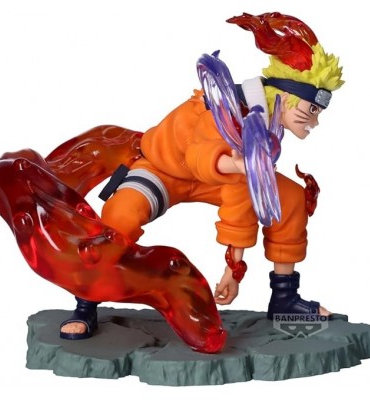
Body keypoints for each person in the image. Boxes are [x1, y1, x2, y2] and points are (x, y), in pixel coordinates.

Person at [60, 12, 344, 340]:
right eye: (311, 110)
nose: (314, 122)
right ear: (285, 97)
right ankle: (86, 302)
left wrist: (234, 269)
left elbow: (240, 197)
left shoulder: (266, 125)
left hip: (220, 179)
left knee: (291, 198)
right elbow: (198, 156)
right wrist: (237, 165)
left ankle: (285, 298)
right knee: (120, 214)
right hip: (164, 170)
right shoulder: (220, 108)